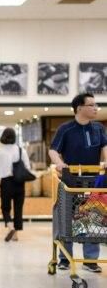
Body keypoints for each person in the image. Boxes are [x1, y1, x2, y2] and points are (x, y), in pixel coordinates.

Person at [49, 92, 107, 273]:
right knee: (66, 218)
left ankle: (90, 260)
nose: (96, 108)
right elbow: (53, 150)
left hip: (93, 181)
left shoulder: (98, 128)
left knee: (93, 216)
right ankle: (65, 258)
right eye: (92, 105)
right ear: (80, 108)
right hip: (70, 179)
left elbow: (105, 148)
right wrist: (59, 164)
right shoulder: (65, 129)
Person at [0, 127, 32, 242]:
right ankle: (16, 235)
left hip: (5, 182)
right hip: (19, 183)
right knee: (18, 208)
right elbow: (28, 167)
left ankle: (10, 227)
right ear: (14, 137)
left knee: (5, 207)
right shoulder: (21, 150)